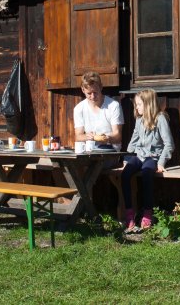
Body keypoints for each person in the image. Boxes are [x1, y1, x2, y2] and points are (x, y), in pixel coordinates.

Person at [120, 89, 174, 232]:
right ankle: (130, 214)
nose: (136, 107)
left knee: (146, 174)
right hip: (139, 155)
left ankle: (147, 214)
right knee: (125, 175)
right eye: (136, 105)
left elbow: (169, 144)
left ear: (148, 104)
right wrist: (126, 158)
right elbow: (134, 140)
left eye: (138, 104)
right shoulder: (139, 120)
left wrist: (161, 163)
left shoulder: (160, 119)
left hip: (153, 157)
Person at [72, 71, 124, 149]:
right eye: (89, 93)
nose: (93, 96)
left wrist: (107, 139)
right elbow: (78, 136)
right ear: (83, 90)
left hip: (110, 149)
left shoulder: (113, 105)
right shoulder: (79, 108)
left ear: (101, 87)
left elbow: (118, 136)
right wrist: (87, 136)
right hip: (90, 149)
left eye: (95, 92)